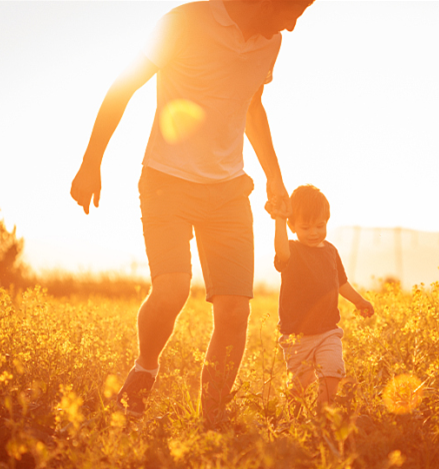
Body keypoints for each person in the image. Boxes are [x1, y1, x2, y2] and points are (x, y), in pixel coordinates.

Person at [70, 0, 314, 427]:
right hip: (167, 181)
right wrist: (92, 162)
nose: (293, 27)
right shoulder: (185, 22)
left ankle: (213, 420)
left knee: (236, 312)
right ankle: (145, 368)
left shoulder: (270, 43)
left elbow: (251, 104)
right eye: (292, 11)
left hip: (229, 191)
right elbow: (123, 85)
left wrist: (274, 176)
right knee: (171, 292)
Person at [273, 185, 374, 408]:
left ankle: (323, 416)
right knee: (297, 389)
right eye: (305, 227)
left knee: (332, 372)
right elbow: (280, 251)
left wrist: (359, 301)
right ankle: (293, 422)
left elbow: (341, 283)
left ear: (327, 221)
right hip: (297, 336)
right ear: (292, 226)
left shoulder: (330, 251)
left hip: (328, 331)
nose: (314, 232)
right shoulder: (291, 250)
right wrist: (280, 218)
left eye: (320, 226)